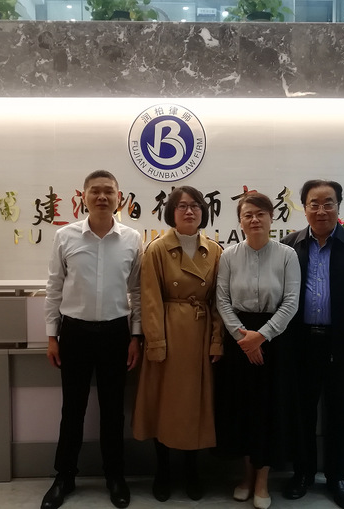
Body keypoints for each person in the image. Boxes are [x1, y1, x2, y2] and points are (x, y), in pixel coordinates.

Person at [41, 170, 143, 509]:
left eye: (108, 191)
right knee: (73, 408)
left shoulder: (132, 239)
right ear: (82, 196)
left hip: (116, 333)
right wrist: (52, 336)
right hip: (75, 333)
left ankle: (115, 475)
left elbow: (137, 292)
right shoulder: (65, 236)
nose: (102, 197)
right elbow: (54, 287)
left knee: (113, 411)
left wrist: (136, 336)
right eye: (95, 191)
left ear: (119, 197)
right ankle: (64, 476)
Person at [280, 179, 344, 509]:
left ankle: (338, 477)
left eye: (328, 203)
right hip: (301, 343)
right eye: (314, 204)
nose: (321, 210)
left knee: (340, 412)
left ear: (339, 206)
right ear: (304, 208)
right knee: (302, 413)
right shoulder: (289, 245)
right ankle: (303, 473)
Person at [132, 186, 223, 502]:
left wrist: (217, 341)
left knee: (195, 407)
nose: (189, 211)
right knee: (164, 405)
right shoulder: (157, 249)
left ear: (203, 211)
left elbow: (219, 301)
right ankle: (163, 471)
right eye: (182, 206)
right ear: (171, 211)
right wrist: (155, 342)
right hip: (168, 335)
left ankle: (192, 471)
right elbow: (150, 300)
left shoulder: (215, 250)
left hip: (200, 335)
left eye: (195, 205)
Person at [215, 192, 301, 509]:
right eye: (248, 214)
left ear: (271, 218)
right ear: (240, 221)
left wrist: (261, 336)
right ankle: (247, 476)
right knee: (242, 408)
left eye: (260, 213)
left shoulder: (287, 255)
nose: (254, 219)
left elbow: (291, 302)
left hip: (275, 340)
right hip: (238, 339)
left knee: (269, 409)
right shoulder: (228, 256)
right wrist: (244, 338)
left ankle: (263, 480)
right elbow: (222, 300)